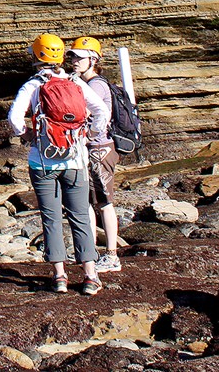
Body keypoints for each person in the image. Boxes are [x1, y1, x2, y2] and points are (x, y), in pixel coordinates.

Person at [8, 33, 110, 296]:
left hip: (42, 161)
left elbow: (14, 118)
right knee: (80, 217)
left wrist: (26, 135)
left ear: (35, 56)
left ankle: (60, 277)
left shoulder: (32, 85)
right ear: (61, 57)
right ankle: (89, 276)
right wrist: (92, 135)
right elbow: (101, 111)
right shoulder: (75, 82)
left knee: (51, 218)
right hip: (75, 160)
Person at [69, 36, 122, 274]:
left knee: (104, 202)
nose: (74, 61)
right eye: (73, 56)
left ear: (93, 59)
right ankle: (90, 253)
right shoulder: (85, 83)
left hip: (100, 149)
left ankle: (111, 255)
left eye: (79, 57)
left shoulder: (96, 86)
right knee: (90, 202)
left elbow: (97, 118)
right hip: (89, 149)